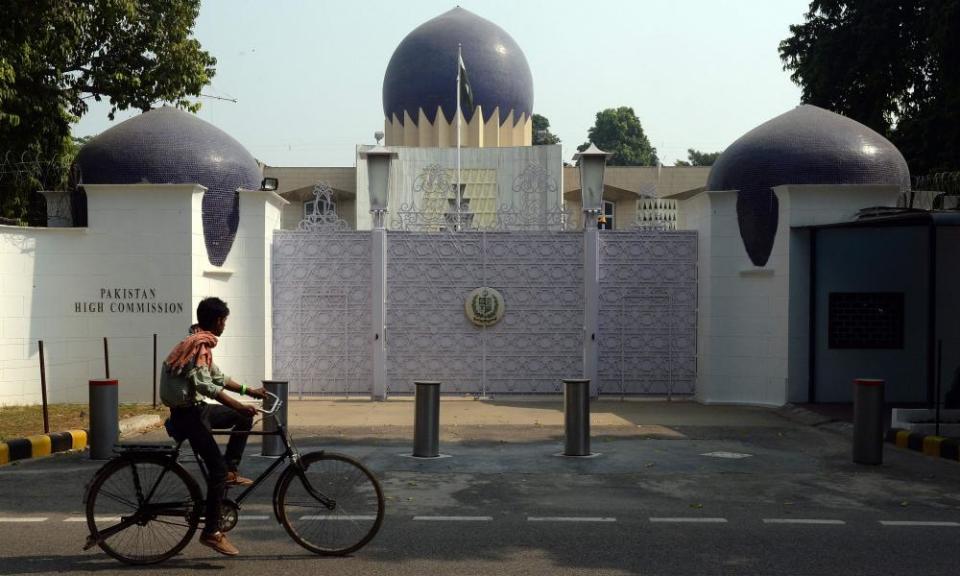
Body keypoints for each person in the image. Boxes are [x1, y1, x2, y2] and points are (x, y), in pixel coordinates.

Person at [160, 297, 266, 557]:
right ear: (218, 321)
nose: (225, 325)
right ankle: (212, 532)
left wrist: (248, 391)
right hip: (188, 415)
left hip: (196, 410)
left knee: (242, 419)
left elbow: (217, 376)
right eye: (225, 320)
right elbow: (206, 386)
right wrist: (239, 404)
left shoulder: (199, 342)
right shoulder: (199, 346)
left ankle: (231, 469)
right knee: (215, 472)